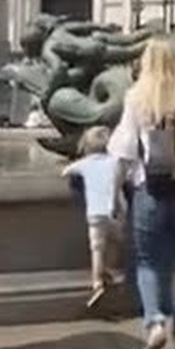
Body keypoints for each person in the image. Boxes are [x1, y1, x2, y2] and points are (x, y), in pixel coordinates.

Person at [106, 38, 175, 349]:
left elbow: (122, 151)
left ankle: (155, 324)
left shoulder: (137, 98)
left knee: (149, 263)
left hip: (151, 189)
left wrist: (113, 197)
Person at [61, 125, 125, 309]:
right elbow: (125, 176)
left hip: (95, 213)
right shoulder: (115, 162)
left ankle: (97, 282)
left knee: (97, 248)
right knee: (115, 242)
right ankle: (111, 271)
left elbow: (65, 172)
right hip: (115, 211)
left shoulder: (85, 163)